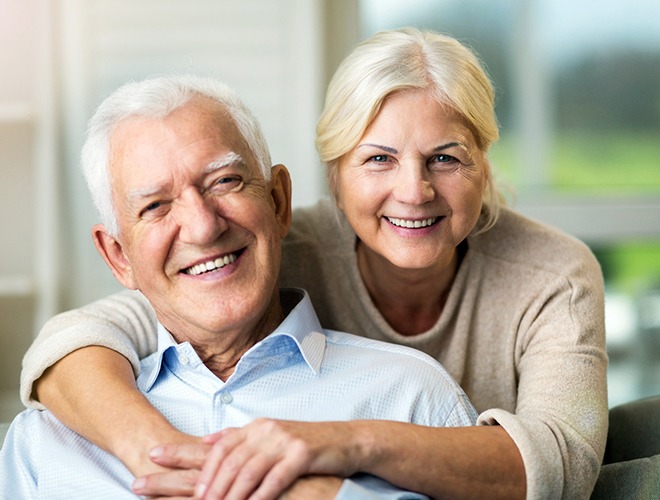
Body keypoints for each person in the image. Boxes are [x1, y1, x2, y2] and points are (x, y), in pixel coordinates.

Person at [20, 28, 608, 499]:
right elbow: (87, 335)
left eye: (446, 158)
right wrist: (170, 458)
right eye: (378, 159)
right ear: (333, 175)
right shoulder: (265, 248)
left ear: (483, 160)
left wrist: (341, 446)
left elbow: (561, 463)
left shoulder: (551, 276)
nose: (415, 190)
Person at [1, 74, 478, 499]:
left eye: (224, 181)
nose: (203, 228)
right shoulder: (47, 442)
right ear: (118, 257)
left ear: (278, 201)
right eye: (156, 206)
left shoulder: (413, 398)